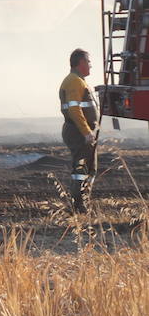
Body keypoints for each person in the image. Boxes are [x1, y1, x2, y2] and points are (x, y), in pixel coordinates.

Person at [59, 49, 98, 213]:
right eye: (88, 62)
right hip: (78, 132)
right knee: (81, 169)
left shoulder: (78, 81)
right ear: (81, 63)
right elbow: (75, 110)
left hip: (80, 131)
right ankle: (79, 206)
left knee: (89, 168)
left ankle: (83, 203)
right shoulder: (74, 81)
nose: (90, 65)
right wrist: (86, 132)